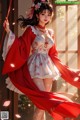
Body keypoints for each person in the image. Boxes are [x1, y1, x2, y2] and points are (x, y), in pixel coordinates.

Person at [2, 0, 80, 120]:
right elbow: (21, 45)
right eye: (43, 14)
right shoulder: (31, 30)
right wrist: (8, 31)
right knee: (44, 99)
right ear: (37, 15)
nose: (46, 17)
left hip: (48, 66)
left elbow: (53, 53)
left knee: (42, 105)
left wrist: (63, 68)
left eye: (48, 15)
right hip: (36, 66)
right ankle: (64, 101)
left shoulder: (50, 32)